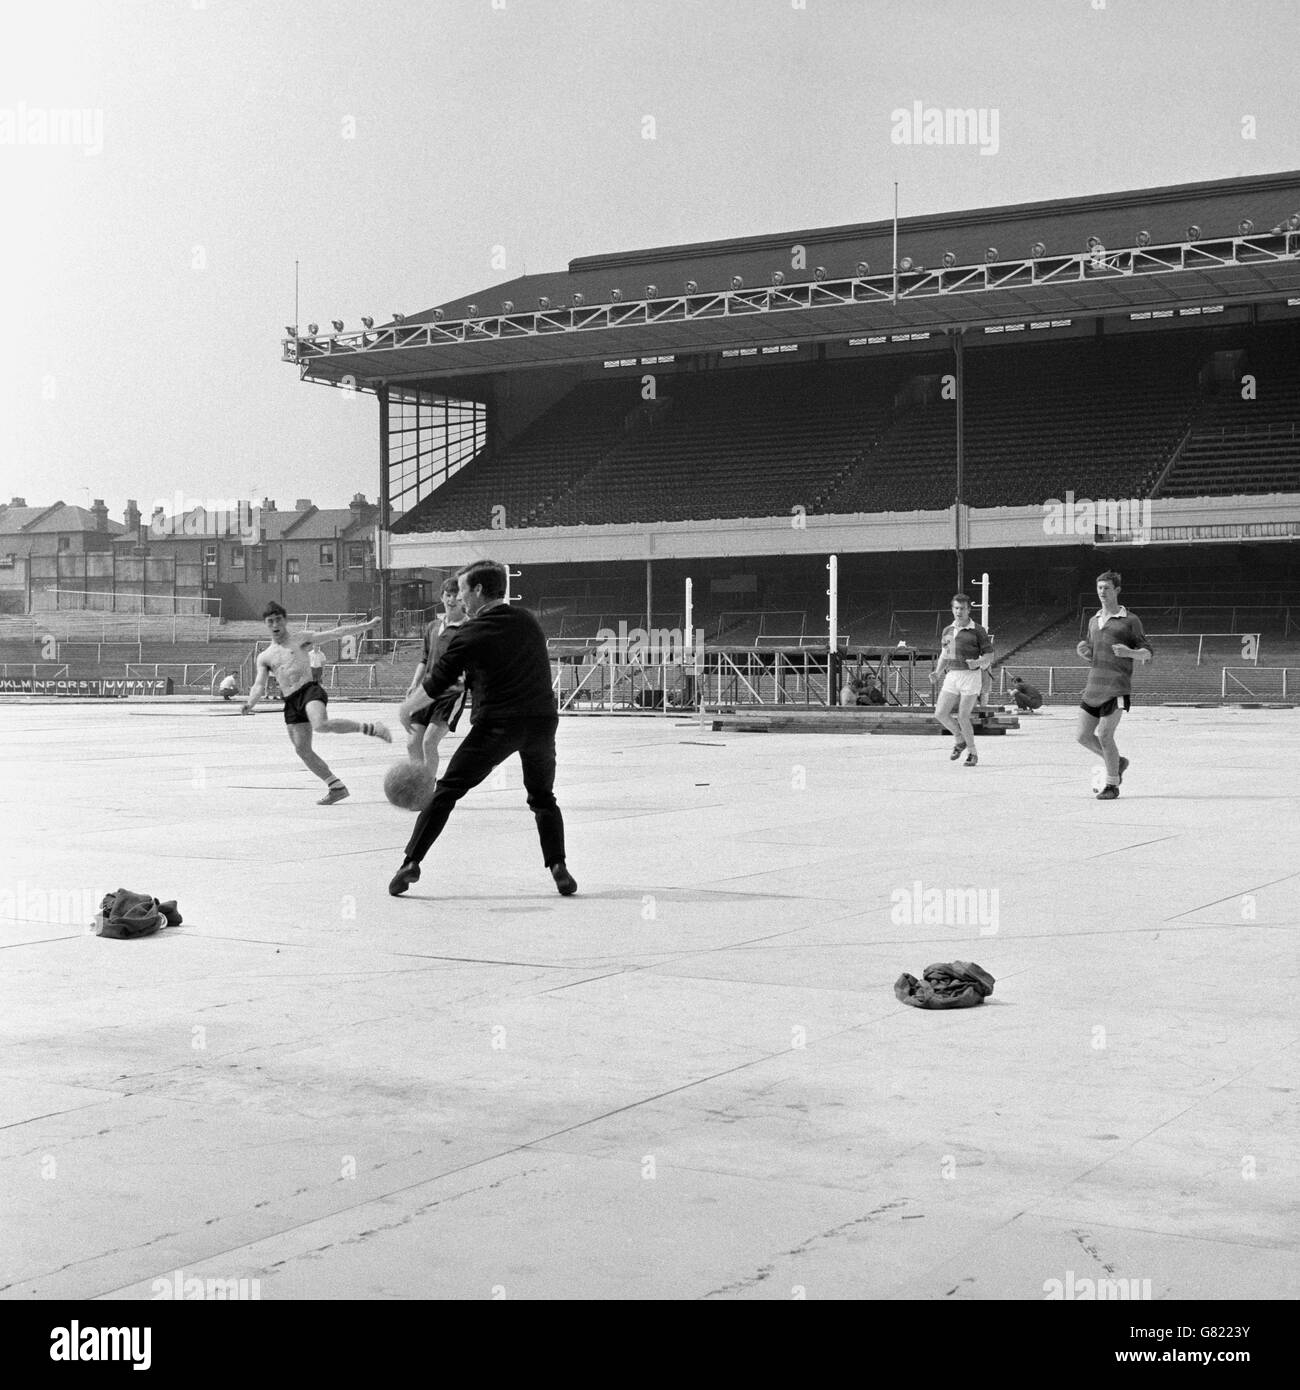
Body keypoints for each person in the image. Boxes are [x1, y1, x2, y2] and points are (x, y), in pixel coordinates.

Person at [390, 559, 575, 898]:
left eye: (462, 591)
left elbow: (438, 680)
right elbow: (507, 664)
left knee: (446, 791)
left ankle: (410, 862)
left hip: (497, 726)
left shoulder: (471, 631)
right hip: (541, 722)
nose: (459, 599)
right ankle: (558, 866)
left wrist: (406, 708)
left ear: (477, 590)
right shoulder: (528, 621)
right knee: (543, 797)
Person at [242, 602, 391, 805]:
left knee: (321, 725)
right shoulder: (265, 656)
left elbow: (336, 633)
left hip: (309, 690)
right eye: (270, 621)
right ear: (266, 624)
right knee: (302, 750)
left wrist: (366, 626)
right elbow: (259, 684)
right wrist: (250, 703)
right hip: (291, 701)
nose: (275, 624)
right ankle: (336, 787)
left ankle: (373, 728)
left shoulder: (300, 639)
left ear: (285, 621)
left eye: (278, 619)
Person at [1075, 570, 1153, 800]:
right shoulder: (1093, 621)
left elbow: (1147, 653)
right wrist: (1086, 653)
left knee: (1105, 734)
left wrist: (1129, 652)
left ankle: (1112, 784)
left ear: (1117, 590)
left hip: (1117, 687)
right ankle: (1117, 762)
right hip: (1093, 687)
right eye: (1099, 588)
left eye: (1107, 588)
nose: (1102, 592)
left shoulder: (1130, 620)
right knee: (1082, 736)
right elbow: (1095, 652)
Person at [404, 576, 468, 777]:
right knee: (412, 744)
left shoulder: (469, 628)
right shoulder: (432, 627)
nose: (451, 600)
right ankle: (419, 784)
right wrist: (414, 684)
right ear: (441, 597)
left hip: (451, 692)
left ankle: (428, 791)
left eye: (456, 596)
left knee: (429, 742)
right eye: (448, 595)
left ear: (463, 599)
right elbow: (424, 659)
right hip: (426, 691)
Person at [932, 593, 994, 766]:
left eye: (962, 608)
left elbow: (990, 655)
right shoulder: (948, 630)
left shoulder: (978, 630)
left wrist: (978, 662)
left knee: (963, 716)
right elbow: (946, 654)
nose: (959, 612)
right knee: (940, 713)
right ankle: (960, 739)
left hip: (971, 676)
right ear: (952, 609)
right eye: (956, 608)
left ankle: (972, 753)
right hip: (952, 674)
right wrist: (937, 672)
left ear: (969, 610)